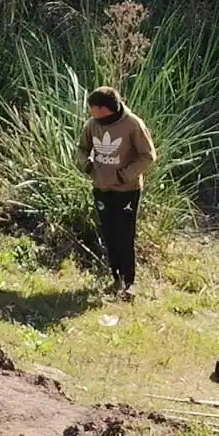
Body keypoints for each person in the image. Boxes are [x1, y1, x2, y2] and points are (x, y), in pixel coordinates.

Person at [78, 86, 157, 300]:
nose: (93, 116)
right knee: (109, 233)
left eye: (96, 111)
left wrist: (124, 176)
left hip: (127, 190)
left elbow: (148, 156)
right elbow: (82, 148)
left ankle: (130, 283)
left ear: (107, 109)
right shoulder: (92, 125)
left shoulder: (133, 125)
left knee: (125, 235)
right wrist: (87, 166)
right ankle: (115, 279)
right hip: (102, 189)